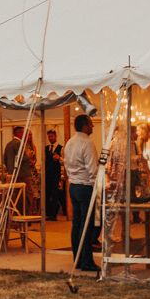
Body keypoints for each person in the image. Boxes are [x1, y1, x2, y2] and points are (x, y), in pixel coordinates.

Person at [64, 114, 99, 273]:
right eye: (91, 124)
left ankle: (77, 259)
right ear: (85, 126)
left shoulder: (69, 142)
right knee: (87, 225)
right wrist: (99, 184)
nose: (93, 127)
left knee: (77, 224)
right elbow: (93, 170)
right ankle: (86, 261)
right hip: (85, 186)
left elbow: (65, 164)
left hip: (73, 186)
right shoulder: (87, 143)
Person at [3, 126, 35, 212]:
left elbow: (5, 159)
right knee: (26, 196)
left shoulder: (9, 144)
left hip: (12, 175)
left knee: (15, 196)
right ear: (20, 133)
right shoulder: (19, 144)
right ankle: (24, 216)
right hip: (23, 175)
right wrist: (30, 159)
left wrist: (10, 169)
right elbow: (23, 158)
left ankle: (16, 216)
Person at [44, 129, 64, 220]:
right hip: (47, 175)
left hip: (56, 175)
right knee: (47, 194)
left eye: (51, 136)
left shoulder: (61, 148)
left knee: (55, 194)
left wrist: (59, 158)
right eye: (49, 136)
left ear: (55, 136)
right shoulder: (46, 148)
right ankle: (48, 213)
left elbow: (64, 161)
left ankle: (53, 215)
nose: (50, 138)